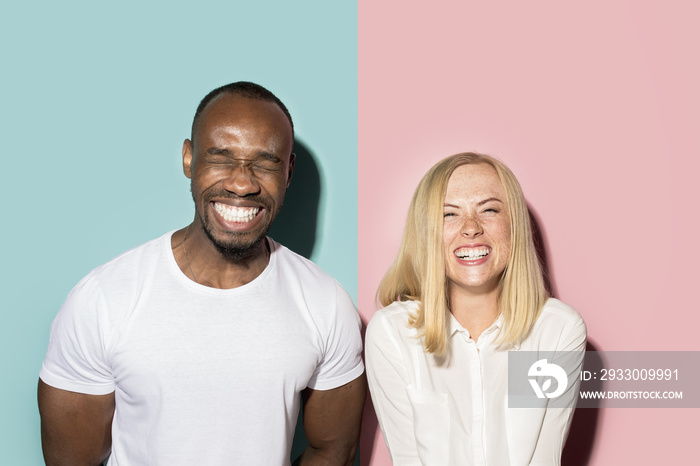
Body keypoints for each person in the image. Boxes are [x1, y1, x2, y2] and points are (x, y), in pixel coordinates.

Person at [38, 81, 366, 465]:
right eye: (221, 157)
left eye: (265, 162)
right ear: (189, 160)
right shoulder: (103, 299)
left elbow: (333, 450)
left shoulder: (325, 303)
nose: (242, 183)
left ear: (288, 172)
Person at [365, 153, 586, 465]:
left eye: (490, 209)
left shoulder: (556, 331)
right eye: (449, 214)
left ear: (514, 226)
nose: (471, 228)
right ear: (427, 234)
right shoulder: (392, 333)